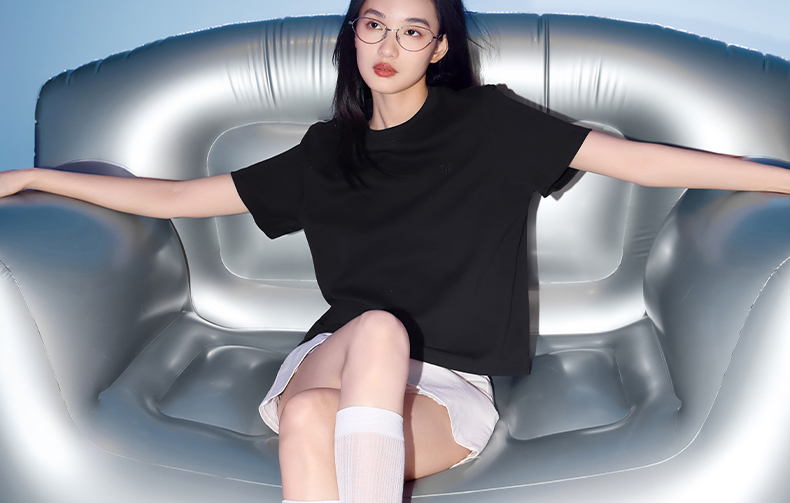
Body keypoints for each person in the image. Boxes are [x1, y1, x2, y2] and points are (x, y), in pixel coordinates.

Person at [1, 0, 789, 501]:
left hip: (449, 391)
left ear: (437, 48)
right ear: (354, 34)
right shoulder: (323, 153)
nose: (388, 44)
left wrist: (779, 177)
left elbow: (639, 161)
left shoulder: (491, 124)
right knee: (362, 342)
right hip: (329, 356)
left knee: (313, 416)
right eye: (374, 24)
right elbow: (177, 198)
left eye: (412, 31)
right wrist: (39, 176)